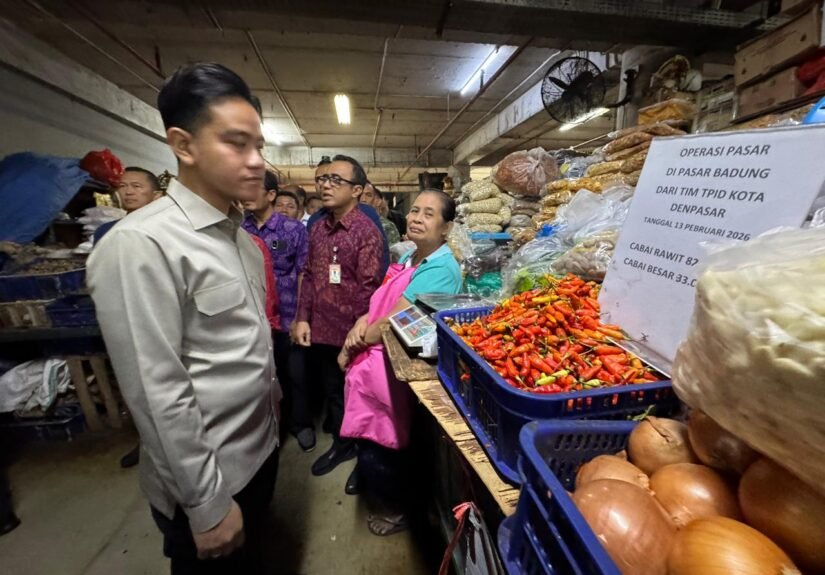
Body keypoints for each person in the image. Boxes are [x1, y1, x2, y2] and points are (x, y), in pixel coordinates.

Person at [88, 63, 281, 574]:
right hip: (211, 477)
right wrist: (206, 504)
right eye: (237, 143)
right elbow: (156, 391)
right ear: (183, 145)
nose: (257, 161)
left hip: (258, 452)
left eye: (259, 146)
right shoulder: (141, 244)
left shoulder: (240, 240)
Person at [339, 189, 461, 536]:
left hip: (395, 365)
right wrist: (362, 320)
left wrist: (350, 345)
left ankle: (397, 511)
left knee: (385, 443)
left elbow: (394, 322)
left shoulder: (441, 268)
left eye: (429, 214)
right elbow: (379, 307)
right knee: (373, 439)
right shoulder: (411, 257)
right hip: (378, 361)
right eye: (415, 210)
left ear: (446, 227)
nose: (417, 218)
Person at [293, 155, 384, 479]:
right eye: (323, 179)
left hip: (353, 334)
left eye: (336, 180)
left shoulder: (366, 231)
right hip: (322, 329)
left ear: (357, 190)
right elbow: (308, 274)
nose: (326, 186)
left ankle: (365, 459)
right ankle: (343, 445)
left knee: (361, 397)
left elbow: (369, 288)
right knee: (333, 392)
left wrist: (357, 337)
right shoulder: (318, 228)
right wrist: (303, 317)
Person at [242, 172, 313, 451]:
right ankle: (268, 429)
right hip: (252, 315)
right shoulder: (239, 229)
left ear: (271, 194)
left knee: (295, 374)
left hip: (287, 314)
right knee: (259, 377)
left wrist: (299, 317)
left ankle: (301, 424)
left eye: (253, 188)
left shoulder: (292, 230)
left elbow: (303, 272)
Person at [93, 167, 162, 244]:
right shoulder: (106, 230)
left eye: (136, 186)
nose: (128, 192)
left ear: (157, 195)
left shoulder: (163, 229)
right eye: (122, 186)